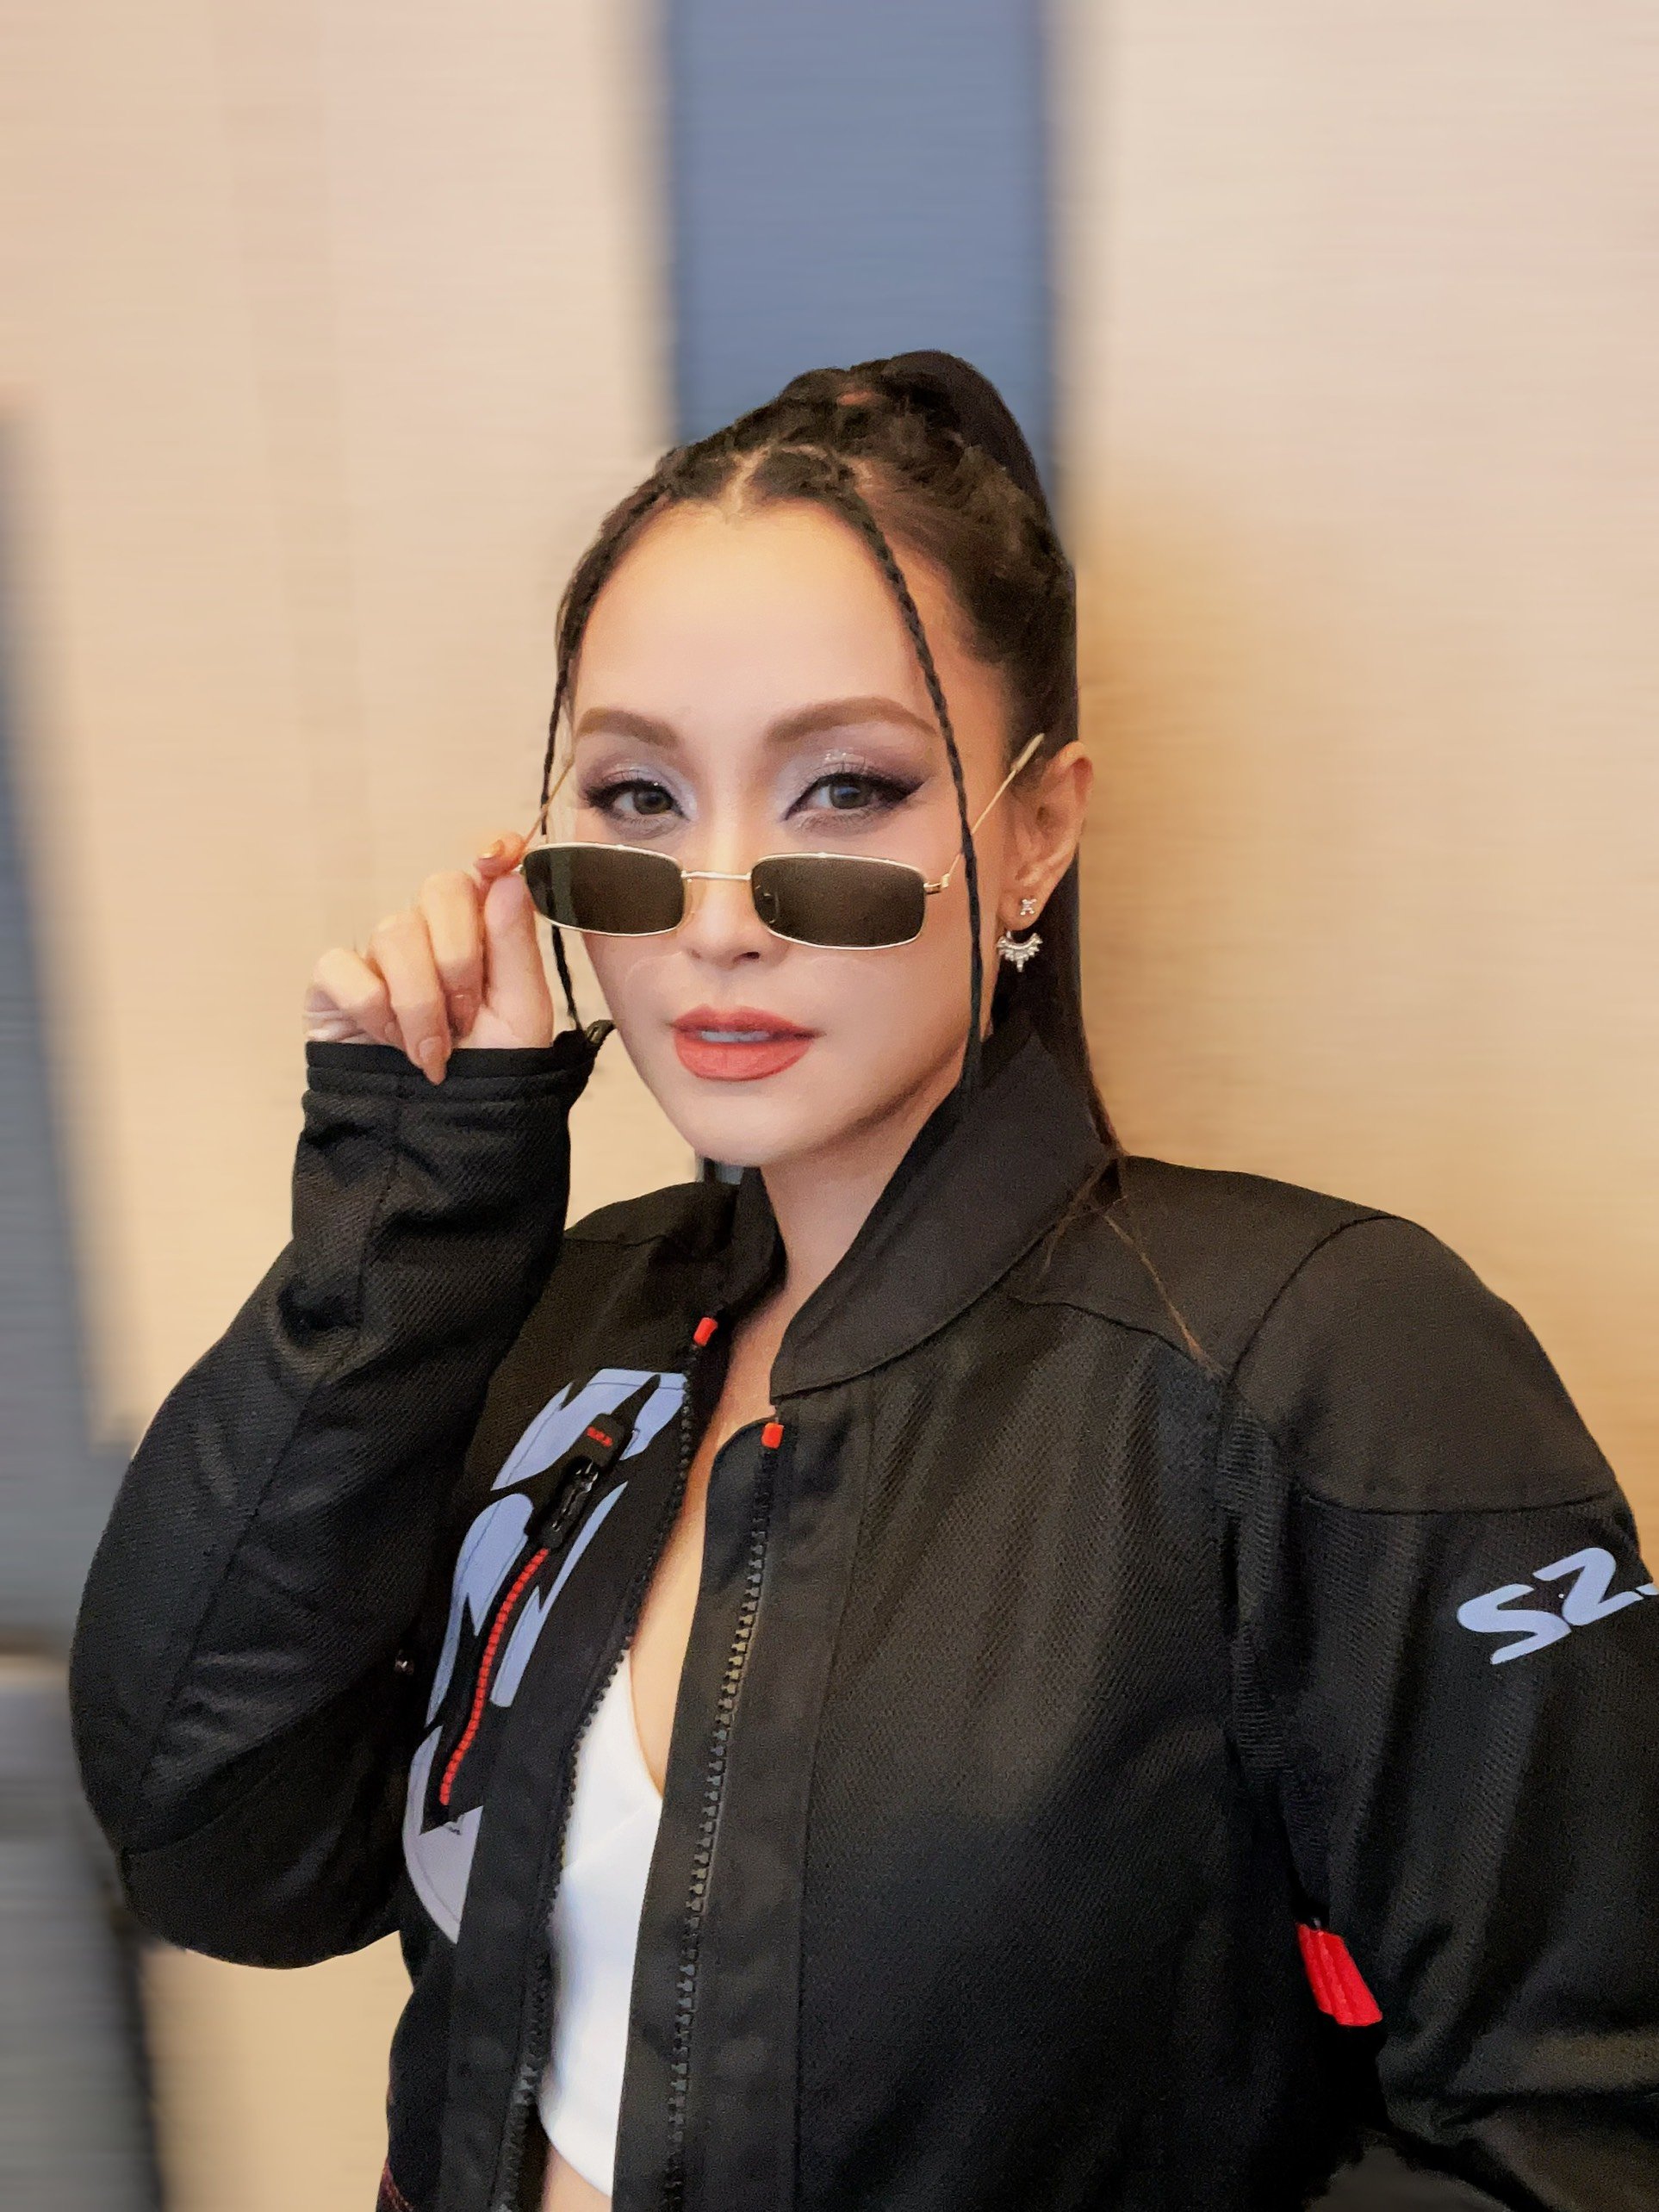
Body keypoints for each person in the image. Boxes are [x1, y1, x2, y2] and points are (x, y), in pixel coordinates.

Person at [68, 354, 1659, 2212]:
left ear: (1038, 829)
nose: (718, 912)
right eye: (638, 796)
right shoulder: (564, 1322)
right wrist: (417, 1208)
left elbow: (1582, 2138)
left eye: (843, 789)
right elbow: (224, 1848)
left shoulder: (1326, 1360)